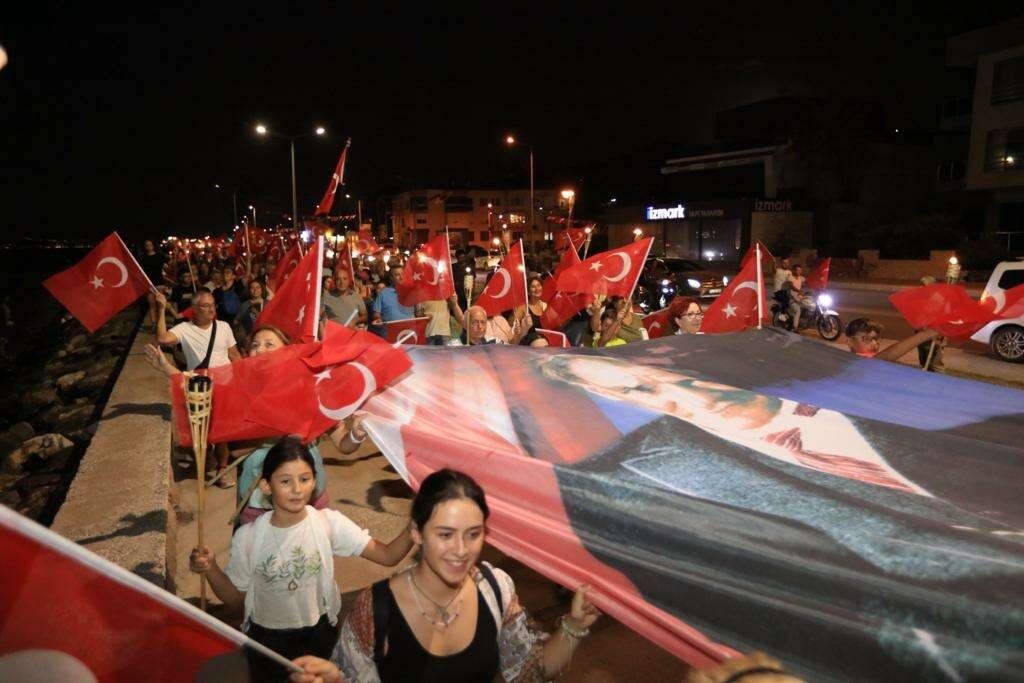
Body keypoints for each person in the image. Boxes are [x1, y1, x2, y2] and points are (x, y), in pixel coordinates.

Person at [288, 469, 600, 683]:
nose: (461, 550)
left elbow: (529, 670)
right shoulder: (376, 608)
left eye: (473, 534)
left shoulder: (496, 589)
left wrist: (573, 626)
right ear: (417, 532)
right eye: (445, 534)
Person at [189, 439, 414, 683]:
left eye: (304, 479)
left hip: (319, 636)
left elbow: (388, 555)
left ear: (315, 482)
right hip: (266, 642)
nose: (297, 489)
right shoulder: (248, 537)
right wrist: (210, 568)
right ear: (266, 485)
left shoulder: (329, 523)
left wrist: (418, 523)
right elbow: (234, 599)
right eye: (285, 481)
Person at [155, 289, 240, 486]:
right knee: (201, 430)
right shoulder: (184, 329)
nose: (212, 309)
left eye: (213, 305)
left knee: (222, 431)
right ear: (194, 309)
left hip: (225, 385)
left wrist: (245, 377)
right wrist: (161, 309)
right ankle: (207, 459)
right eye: (206, 306)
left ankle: (222, 470)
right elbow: (162, 339)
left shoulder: (224, 327)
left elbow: (234, 354)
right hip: (199, 387)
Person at [843, 317, 940, 362]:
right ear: (849, 341)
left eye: (876, 339)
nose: (874, 343)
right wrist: (925, 334)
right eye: (866, 339)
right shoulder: (852, 362)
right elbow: (886, 356)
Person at [370, 266, 414, 338]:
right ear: (391, 278)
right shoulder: (383, 293)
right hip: (391, 336)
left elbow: (419, 312)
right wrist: (378, 319)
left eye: (403, 274)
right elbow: (376, 313)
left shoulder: (412, 292)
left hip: (409, 334)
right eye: (397, 275)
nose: (401, 277)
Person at [915, 276, 946, 372]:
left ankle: (938, 381)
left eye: (923, 285)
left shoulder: (939, 300)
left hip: (934, 336)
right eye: (920, 285)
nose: (920, 288)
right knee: (924, 361)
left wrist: (939, 338)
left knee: (935, 363)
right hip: (921, 334)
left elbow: (944, 320)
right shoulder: (921, 299)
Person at [138, 239, 166, 329]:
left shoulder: (160, 256)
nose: (149, 246)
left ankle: (161, 323)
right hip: (149, 283)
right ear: (145, 246)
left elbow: (167, 265)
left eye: (150, 244)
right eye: (147, 245)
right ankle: (154, 324)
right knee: (152, 304)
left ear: (153, 245)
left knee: (160, 304)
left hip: (159, 282)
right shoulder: (142, 258)